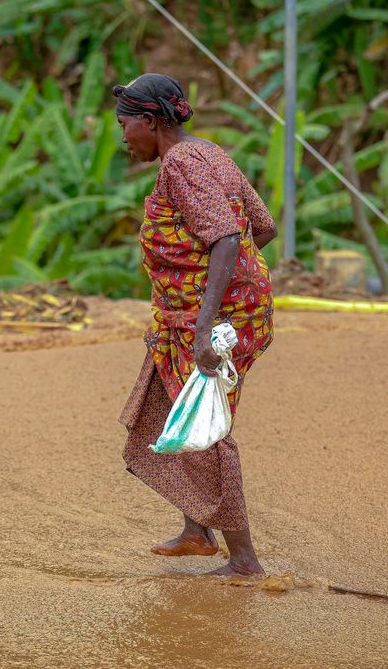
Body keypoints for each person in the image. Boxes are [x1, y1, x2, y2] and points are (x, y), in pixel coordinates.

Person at [114, 73, 277, 576]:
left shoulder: (181, 164)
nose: (123, 137)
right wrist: (234, 287)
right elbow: (263, 228)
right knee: (176, 407)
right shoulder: (210, 153)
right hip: (219, 312)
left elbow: (227, 237)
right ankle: (196, 530)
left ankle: (245, 560)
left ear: (149, 120)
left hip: (206, 321)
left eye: (125, 125)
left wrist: (206, 325)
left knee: (208, 431)